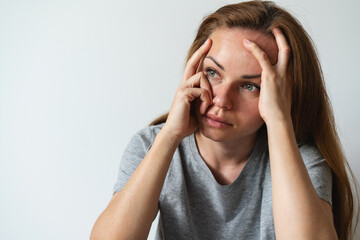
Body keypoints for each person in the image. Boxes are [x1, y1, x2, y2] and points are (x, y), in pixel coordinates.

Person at [90, 1, 359, 239]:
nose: (221, 100)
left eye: (250, 86)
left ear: (282, 95)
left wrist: (279, 121)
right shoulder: (150, 144)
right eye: (213, 72)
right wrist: (170, 134)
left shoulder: (302, 159)